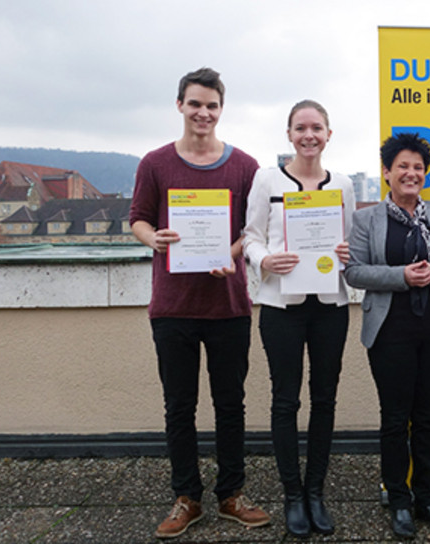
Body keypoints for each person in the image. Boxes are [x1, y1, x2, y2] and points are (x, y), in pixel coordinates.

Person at [129, 67, 270, 539]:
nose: (203, 113)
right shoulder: (154, 163)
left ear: (220, 109)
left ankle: (231, 494)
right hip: (172, 306)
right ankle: (187, 497)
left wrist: (228, 254)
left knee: (231, 404)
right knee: (179, 406)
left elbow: (253, 231)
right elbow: (139, 220)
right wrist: (157, 240)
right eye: (195, 104)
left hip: (228, 304)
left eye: (211, 105)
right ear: (180, 106)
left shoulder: (245, 166)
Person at [344, 133, 430, 539]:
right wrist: (401, 276)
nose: (411, 173)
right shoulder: (367, 219)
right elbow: (355, 272)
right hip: (390, 331)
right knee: (396, 420)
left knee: (428, 418)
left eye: (418, 167)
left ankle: (427, 497)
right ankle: (398, 499)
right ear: (387, 172)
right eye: (403, 166)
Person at [242, 100, 355, 537]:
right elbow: (249, 237)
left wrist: (347, 253)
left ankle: (316, 492)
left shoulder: (342, 184)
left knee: (325, 399)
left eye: (317, 128)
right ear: (289, 134)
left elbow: (347, 241)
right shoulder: (266, 179)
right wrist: (267, 259)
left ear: (329, 134)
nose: (309, 135)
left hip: (329, 304)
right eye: (301, 128)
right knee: (286, 400)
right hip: (279, 306)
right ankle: (292, 494)